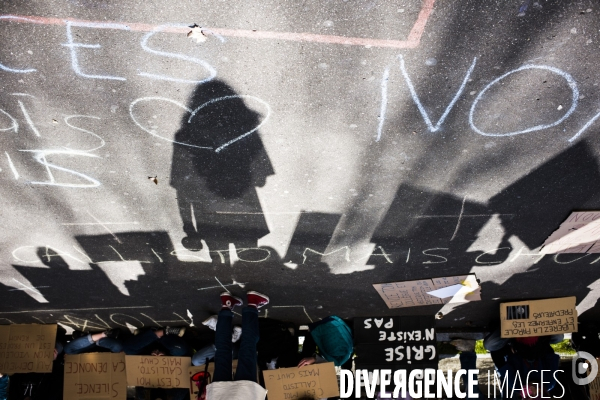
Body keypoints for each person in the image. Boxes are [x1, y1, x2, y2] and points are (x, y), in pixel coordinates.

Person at [206, 291, 269, 400]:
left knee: (248, 350)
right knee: (222, 351)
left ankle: (253, 303)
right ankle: (227, 304)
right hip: (218, 394)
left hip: (245, 395)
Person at [484, 329, 562, 399]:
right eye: (536, 394)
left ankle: (506, 326)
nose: (533, 390)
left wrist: (510, 348)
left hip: (514, 339)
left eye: (528, 395)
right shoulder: (550, 382)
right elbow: (549, 352)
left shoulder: (516, 385)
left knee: (489, 344)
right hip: (538, 340)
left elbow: (499, 361)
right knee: (559, 337)